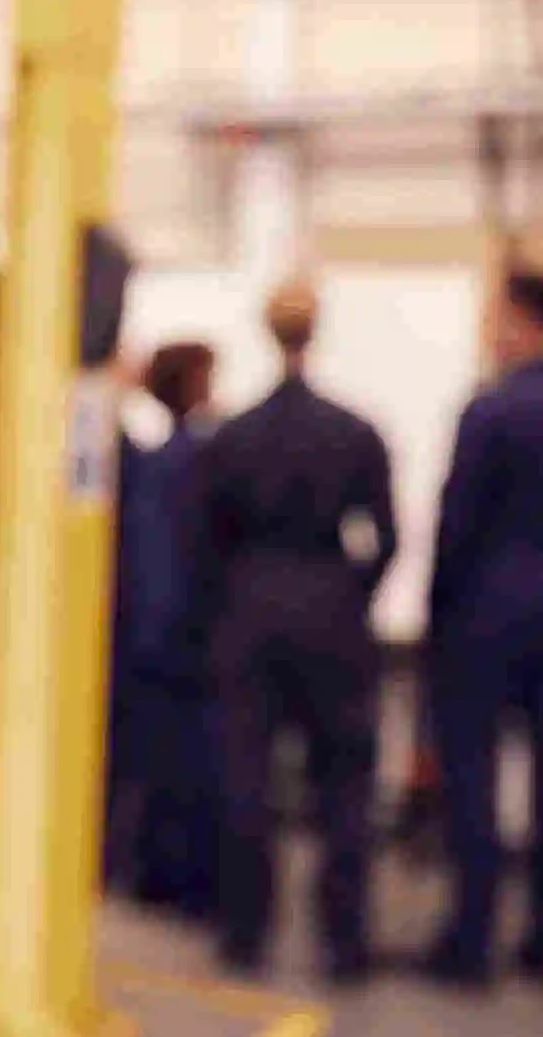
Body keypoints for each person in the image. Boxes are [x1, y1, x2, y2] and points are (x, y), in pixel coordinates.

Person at [420, 266, 543, 990]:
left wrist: (442, 610)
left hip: (481, 615)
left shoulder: (489, 410)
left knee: (472, 777)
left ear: (518, 321)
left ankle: (471, 941)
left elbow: (458, 523)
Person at [197, 280, 396, 985]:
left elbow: (206, 542)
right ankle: (345, 942)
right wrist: (350, 594)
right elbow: (386, 536)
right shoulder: (355, 429)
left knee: (247, 779)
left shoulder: (233, 434)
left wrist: (238, 598)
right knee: (343, 785)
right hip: (332, 613)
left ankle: (246, 934)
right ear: (316, 332)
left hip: (252, 614)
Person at [107, 341, 220, 920]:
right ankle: (173, 878)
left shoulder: (157, 459)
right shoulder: (188, 459)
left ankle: (152, 870)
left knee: (152, 763)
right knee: (179, 765)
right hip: (175, 637)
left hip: (156, 633)